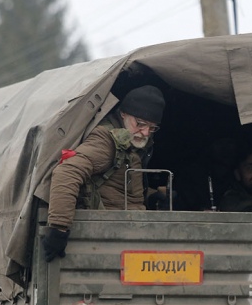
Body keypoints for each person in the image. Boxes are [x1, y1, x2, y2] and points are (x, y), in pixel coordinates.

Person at [43, 85, 165, 261]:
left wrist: (152, 196)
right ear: (123, 114)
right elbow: (67, 171)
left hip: (128, 235)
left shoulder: (132, 145)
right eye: (140, 124)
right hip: (105, 237)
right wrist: (59, 228)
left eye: (152, 128)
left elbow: (119, 190)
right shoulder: (106, 140)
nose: (145, 132)